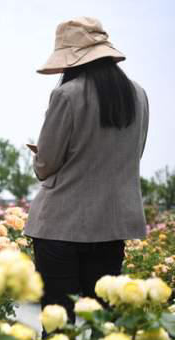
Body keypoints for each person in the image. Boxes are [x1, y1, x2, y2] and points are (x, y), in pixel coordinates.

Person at [24, 17, 149, 322]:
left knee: (57, 326)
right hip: (111, 226)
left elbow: (45, 167)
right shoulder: (139, 95)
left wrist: (39, 155)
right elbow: (131, 157)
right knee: (103, 326)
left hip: (60, 226)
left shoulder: (67, 95)